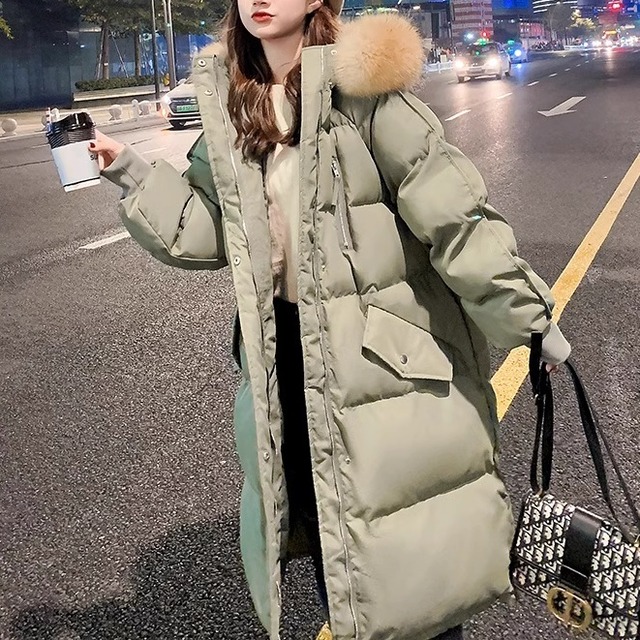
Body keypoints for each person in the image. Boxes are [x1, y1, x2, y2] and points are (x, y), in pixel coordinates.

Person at [92, 2, 571, 639]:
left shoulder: (365, 94)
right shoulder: (235, 106)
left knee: (411, 568)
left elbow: (455, 216)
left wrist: (528, 318)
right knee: (338, 557)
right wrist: (128, 170)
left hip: (381, 362)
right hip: (287, 360)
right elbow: (211, 230)